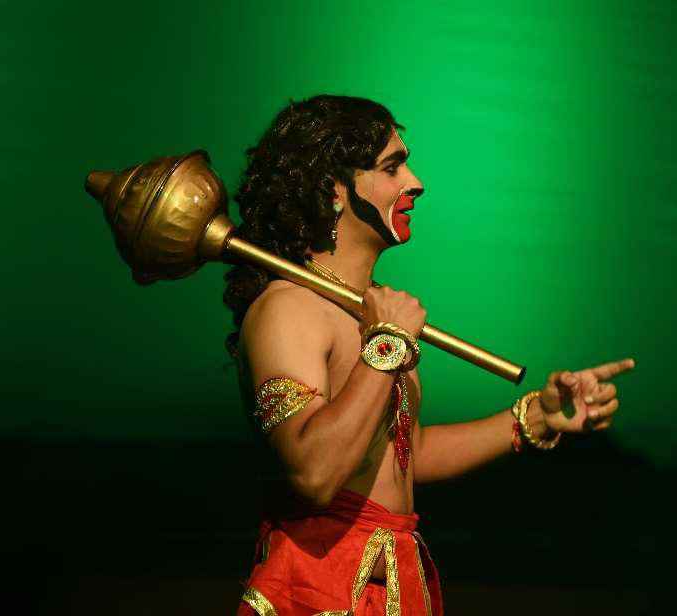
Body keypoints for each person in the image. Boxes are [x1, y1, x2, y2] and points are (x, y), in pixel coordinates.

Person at [223, 95, 636, 615]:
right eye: (391, 167)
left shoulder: (376, 313)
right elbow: (315, 473)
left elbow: (405, 456)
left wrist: (534, 417)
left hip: (395, 590)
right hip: (318, 594)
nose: (415, 182)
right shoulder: (289, 308)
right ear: (332, 188)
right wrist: (385, 347)